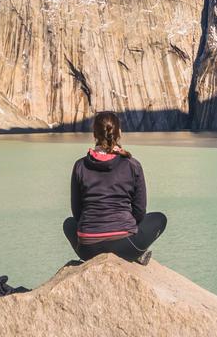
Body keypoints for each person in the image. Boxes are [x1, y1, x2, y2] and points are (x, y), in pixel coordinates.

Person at [62, 111, 167, 265]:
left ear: (94, 134)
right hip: (125, 246)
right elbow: (139, 211)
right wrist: (123, 225)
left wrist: (95, 227)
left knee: (69, 223)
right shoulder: (132, 165)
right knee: (159, 218)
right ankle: (136, 255)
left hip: (88, 249)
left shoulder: (80, 165)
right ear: (119, 133)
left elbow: (77, 212)